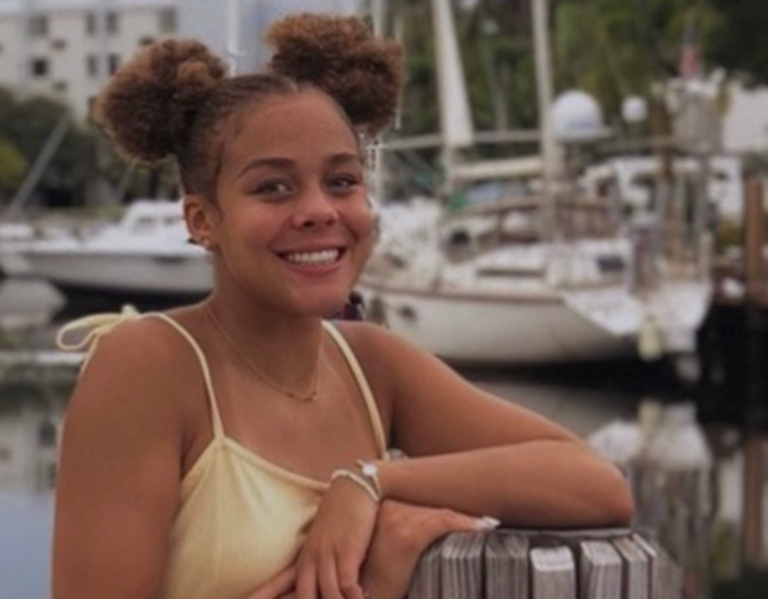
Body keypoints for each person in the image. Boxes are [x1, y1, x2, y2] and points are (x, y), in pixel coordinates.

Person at [51, 13, 633, 599]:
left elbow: (597, 486)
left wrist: (371, 482)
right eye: (273, 187)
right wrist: (381, 566)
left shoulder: (372, 364)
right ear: (202, 220)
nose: (319, 210)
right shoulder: (149, 366)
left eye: (342, 181)